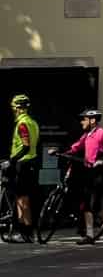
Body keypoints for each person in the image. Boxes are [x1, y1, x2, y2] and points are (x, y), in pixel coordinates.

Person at [65, 110, 103, 244]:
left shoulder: (101, 133)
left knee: (95, 204)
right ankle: (90, 235)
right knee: (88, 203)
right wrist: (61, 153)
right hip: (88, 172)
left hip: (99, 173)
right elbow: (76, 147)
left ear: (92, 120)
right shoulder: (86, 135)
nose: (82, 122)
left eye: (84, 119)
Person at [6, 96, 38, 238]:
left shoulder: (22, 124)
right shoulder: (33, 123)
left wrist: (12, 159)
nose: (13, 110)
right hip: (30, 162)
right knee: (22, 198)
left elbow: (26, 146)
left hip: (22, 163)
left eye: (14, 108)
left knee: (22, 199)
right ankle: (24, 231)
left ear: (19, 108)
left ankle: (25, 231)